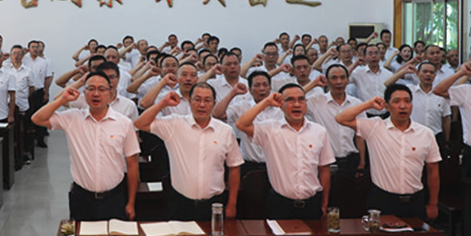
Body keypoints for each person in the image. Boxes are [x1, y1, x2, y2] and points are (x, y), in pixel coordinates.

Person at [32, 72, 140, 220]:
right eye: (91, 88)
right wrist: (62, 99)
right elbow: (37, 118)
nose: (96, 94)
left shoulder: (124, 123)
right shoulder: (73, 118)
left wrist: (131, 202)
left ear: (110, 92)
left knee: (114, 235)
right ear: (84, 92)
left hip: (114, 198)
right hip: (82, 198)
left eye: (101, 89)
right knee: (81, 235)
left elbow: (132, 164)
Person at [135, 83, 242, 221]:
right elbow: (140, 124)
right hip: (180, 202)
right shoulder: (175, 124)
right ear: (189, 101)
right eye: (197, 99)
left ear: (214, 103)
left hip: (214, 202)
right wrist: (163, 103)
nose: (202, 105)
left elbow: (234, 167)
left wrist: (232, 203)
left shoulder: (225, 131)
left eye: (207, 100)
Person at [335, 84, 441, 219]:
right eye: (396, 101)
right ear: (387, 106)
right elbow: (341, 118)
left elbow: (433, 170)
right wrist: (369, 104)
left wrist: (433, 203)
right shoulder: (375, 127)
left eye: (407, 101)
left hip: (415, 201)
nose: (402, 106)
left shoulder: (426, 133)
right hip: (383, 200)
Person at [236, 83, 334, 220]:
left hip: (312, 203)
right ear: (281, 105)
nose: (297, 104)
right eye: (290, 100)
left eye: (301, 99)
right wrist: (266, 102)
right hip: (280, 204)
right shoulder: (270, 129)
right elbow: (241, 124)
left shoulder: (319, 131)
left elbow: (324, 169)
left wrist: (324, 203)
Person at [213, 70, 278, 176]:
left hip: (274, 165)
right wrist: (233, 93)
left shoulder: (280, 109)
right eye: (257, 85)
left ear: (270, 88)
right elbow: (217, 114)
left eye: (265, 85)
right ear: (250, 90)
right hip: (248, 165)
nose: (262, 88)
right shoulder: (242, 106)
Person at [306, 64, 366, 173]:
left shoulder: (356, 104)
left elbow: (359, 135)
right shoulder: (317, 102)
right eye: (334, 78)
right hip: (326, 162)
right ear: (327, 80)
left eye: (342, 78)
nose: (339, 82)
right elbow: (289, 99)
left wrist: (362, 163)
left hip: (351, 160)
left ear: (347, 80)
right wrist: (313, 84)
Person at [349, 44, 394, 116]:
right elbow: (343, 78)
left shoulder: (388, 74)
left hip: (385, 114)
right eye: (370, 53)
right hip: (365, 114)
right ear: (364, 57)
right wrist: (355, 64)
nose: (373, 56)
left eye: (376, 53)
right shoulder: (358, 72)